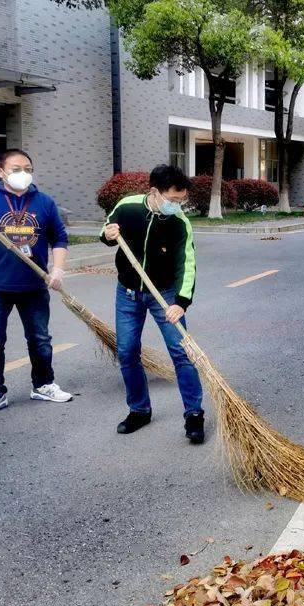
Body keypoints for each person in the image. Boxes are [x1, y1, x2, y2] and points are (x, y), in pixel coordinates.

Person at [0, 148, 73, 417]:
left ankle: (44, 384)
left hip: (33, 285)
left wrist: (57, 270)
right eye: (17, 169)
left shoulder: (44, 202)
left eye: (28, 169)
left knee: (40, 339)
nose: (24, 174)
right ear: (1, 171)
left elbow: (59, 238)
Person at [101, 165, 204, 444]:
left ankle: (194, 414)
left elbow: (188, 265)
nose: (178, 205)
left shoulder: (180, 222)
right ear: (154, 193)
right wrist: (107, 234)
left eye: (182, 200)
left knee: (181, 353)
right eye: (173, 200)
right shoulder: (128, 206)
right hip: (129, 292)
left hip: (165, 294)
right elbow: (108, 229)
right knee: (127, 351)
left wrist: (181, 302)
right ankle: (139, 409)